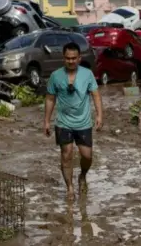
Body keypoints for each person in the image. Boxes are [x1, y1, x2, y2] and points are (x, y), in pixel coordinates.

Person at [44, 42, 103, 200]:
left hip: (83, 123)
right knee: (66, 154)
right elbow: (50, 99)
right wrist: (47, 121)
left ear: (79, 58)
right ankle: (69, 188)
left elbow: (95, 95)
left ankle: (82, 176)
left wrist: (99, 115)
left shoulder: (87, 74)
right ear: (64, 58)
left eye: (74, 58)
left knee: (87, 156)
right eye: (68, 58)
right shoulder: (56, 76)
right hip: (63, 123)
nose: (71, 61)